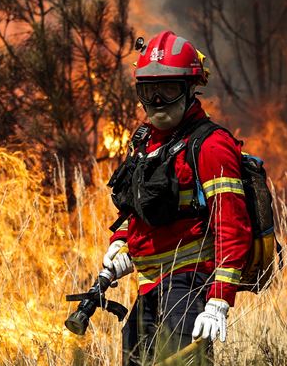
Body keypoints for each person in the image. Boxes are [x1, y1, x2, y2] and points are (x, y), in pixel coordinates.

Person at [104, 30, 252, 365]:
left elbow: (233, 228)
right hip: (148, 287)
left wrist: (218, 301)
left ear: (189, 88)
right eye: (149, 90)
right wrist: (121, 243)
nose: (157, 101)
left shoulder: (211, 145)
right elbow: (139, 206)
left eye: (168, 89)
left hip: (188, 286)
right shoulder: (145, 142)